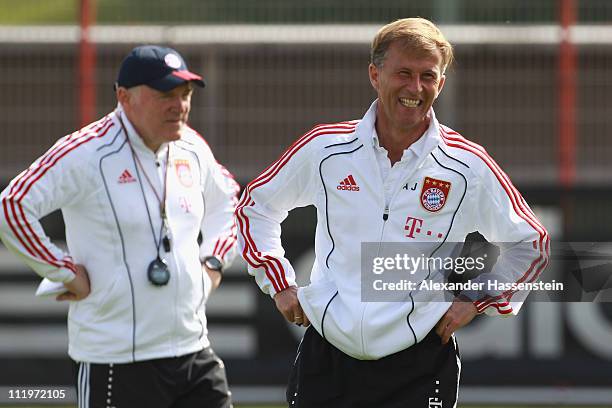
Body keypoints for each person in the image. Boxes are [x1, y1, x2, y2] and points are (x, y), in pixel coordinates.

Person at [236, 18, 549, 407]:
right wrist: (279, 282)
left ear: (441, 83)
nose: (415, 88)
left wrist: (478, 297)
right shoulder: (326, 149)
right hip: (327, 358)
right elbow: (255, 206)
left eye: (427, 76)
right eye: (403, 73)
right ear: (374, 74)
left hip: (419, 364)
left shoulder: (467, 166)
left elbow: (531, 243)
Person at [0, 45, 239, 408]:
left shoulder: (192, 146)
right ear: (124, 97)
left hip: (194, 352)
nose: (180, 105)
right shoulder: (86, 152)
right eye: (166, 95)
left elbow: (229, 202)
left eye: (185, 94)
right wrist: (63, 270)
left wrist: (214, 264)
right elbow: (12, 206)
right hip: (117, 361)